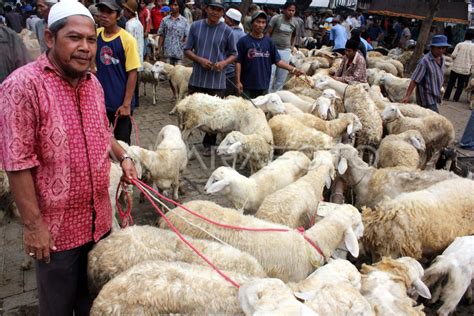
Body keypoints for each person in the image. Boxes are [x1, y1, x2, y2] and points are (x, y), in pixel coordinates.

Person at [0, 1, 137, 314]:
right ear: (50, 38)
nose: (85, 48)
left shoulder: (93, 85)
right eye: (74, 38)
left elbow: (103, 131)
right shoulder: (22, 86)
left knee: (93, 304)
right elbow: (16, 162)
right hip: (56, 232)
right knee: (58, 308)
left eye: (91, 40)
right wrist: (34, 226)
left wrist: (123, 156)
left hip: (99, 223)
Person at [184, 0, 237, 156]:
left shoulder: (227, 31)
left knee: (214, 114)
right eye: (212, 8)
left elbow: (234, 54)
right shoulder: (196, 26)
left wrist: (223, 63)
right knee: (191, 111)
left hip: (217, 80)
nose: (215, 12)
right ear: (206, 9)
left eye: (219, 10)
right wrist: (200, 60)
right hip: (197, 78)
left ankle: (209, 144)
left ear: (223, 13)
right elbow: (187, 49)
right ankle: (185, 142)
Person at [96, 0, 141, 144]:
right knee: (100, 141)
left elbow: (133, 73)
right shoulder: (95, 36)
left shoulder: (127, 40)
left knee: (122, 144)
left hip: (120, 105)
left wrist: (127, 104)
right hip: (99, 103)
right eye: (101, 11)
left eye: (109, 12)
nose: (103, 15)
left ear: (118, 15)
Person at [236, 10, 303, 99]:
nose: (260, 25)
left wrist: (293, 69)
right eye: (258, 22)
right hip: (247, 85)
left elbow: (278, 61)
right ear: (252, 23)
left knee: (261, 111)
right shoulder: (243, 41)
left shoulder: (269, 42)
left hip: (263, 85)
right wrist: (238, 81)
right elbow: (238, 62)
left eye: (263, 22)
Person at [402, 35, 450, 112]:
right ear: (432, 48)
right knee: (435, 119)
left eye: (443, 48)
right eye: (438, 48)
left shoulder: (442, 59)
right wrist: (407, 96)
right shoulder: (424, 62)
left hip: (436, 95)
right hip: (426, 98)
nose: (441, 50)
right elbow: (414, 80)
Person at [267, 1, 298, 92]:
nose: (291, 12)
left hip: (285, 50)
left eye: (293, 11)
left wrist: (291, 47)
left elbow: (294, 35)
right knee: (270, 74)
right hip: (273, 49)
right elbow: (268, 32)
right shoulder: (276, 19)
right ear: (284, 10)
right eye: (289, 10)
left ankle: (277, 94)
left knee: (282, 75)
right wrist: (267, 46)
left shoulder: (295, 23)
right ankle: (267, 94)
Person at [123, 0, 144, 108]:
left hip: (132, 55)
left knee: (131, 80)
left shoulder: (129, 24)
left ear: (129, 11)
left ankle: (132, 101)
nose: (123, 12)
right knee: (136, 79)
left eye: (124, 10)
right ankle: (136, 101)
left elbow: (128, 42)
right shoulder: (138, 23)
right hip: (139, 54)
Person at [443, 31, 474, 102]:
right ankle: (455, 99)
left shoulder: (459, 44)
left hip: (456, 67)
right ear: (472, 38)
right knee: (460, 85)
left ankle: (446, 97)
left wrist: (456, 58)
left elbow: (453, 55)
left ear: (465, 36)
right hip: (465, 70)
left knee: (451, 83)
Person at [224, 7, 245, 96]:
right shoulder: (245, 36)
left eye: (226, 18)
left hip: (227, 73)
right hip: (240, 75)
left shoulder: (226, 34)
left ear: (230, 21)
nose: (224, 20)